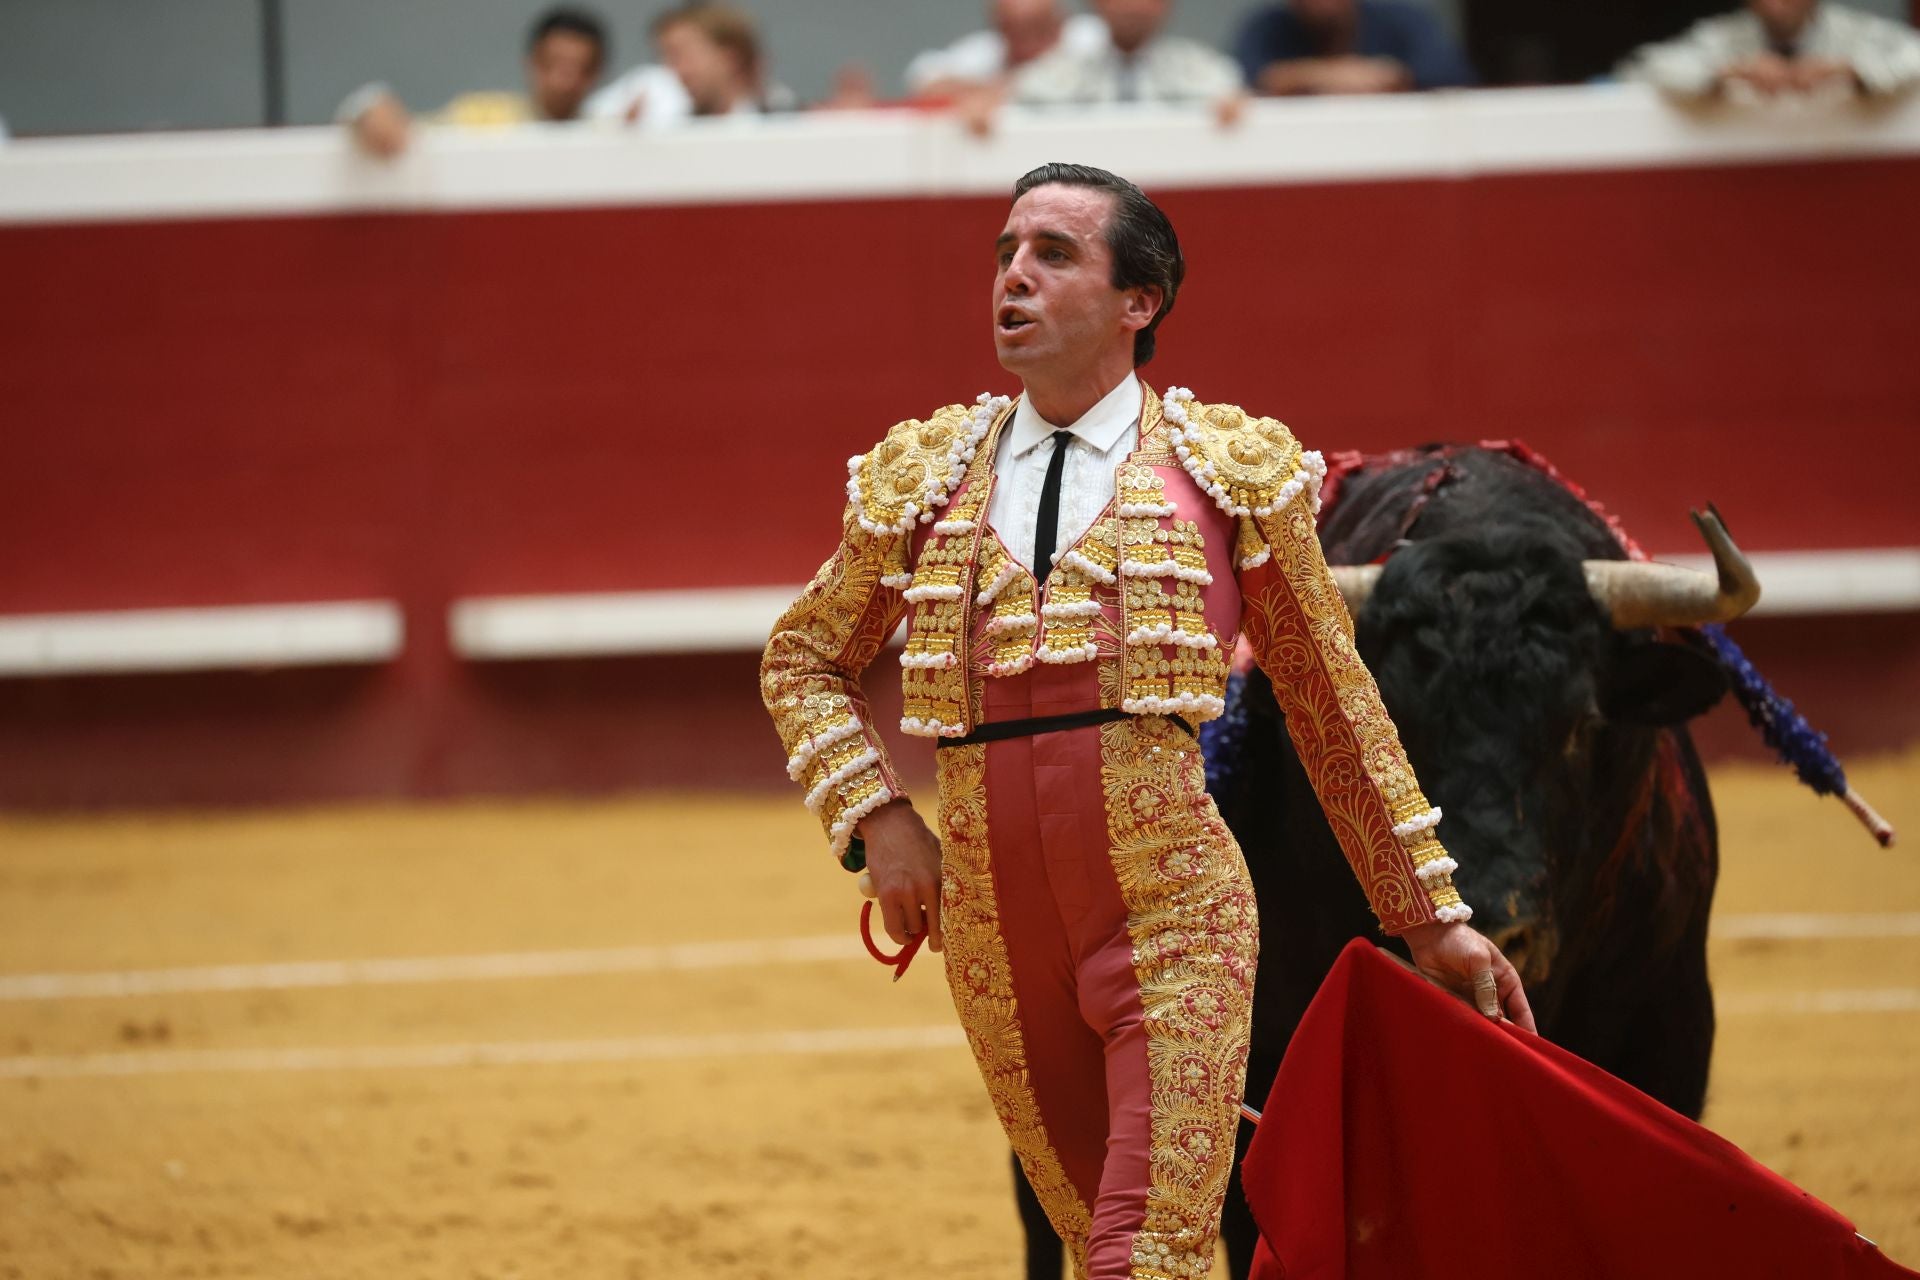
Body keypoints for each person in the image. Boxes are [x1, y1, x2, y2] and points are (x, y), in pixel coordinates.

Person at [761, 161, 1532, 1279]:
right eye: (1006, 253)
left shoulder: (1231, 470)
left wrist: (1430, 914)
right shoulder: (922, 476)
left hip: (1174, 911)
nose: (1013, 277)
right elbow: (804, 656)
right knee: (1094, 1242)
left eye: (1053, 254)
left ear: (1142, 300)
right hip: (990, 934)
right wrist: (877, 815)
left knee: (1148, 1251)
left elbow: (1331, 705)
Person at [340, 5, 607, 159]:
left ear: (597, 73)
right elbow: (404, 128)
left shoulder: (609, 133)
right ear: (532, 63)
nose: (565, 79)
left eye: (581, 68)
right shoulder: (485, 117)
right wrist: (369, 107)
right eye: (553, 63)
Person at [1618, 0, 1920, 99]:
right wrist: (1728, 74)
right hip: (1743, 194)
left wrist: (1851, 71)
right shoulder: (1726, 37)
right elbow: (1639, 69)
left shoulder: (1853, 32)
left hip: (1848, 185)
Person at [1009, 0, 1246, 108]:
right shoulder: (1055, 72)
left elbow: (1231, 96)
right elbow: (1024, 96)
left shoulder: (1203, 68)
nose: (1134, 6)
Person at [585, 2, 791, 126]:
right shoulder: (661, 121)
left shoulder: (782, 119)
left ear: (729, 57)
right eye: (664, 57)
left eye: (680, 55)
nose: (673, 70)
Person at [1234, 0, 1476, 94]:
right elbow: (1239, 80)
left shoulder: (1403, 20)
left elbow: (1450, 73)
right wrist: (1325, 75)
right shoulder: (1266, 28)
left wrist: (1387, 75)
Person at [905, 0, 1111, 101]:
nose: (1027, 40)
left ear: (1060, 21)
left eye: (1037, 27)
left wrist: (999, 90)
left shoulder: (1091, 36)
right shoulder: (988, 48)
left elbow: (1063, 80)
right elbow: (926, 79)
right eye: (1014, 29)